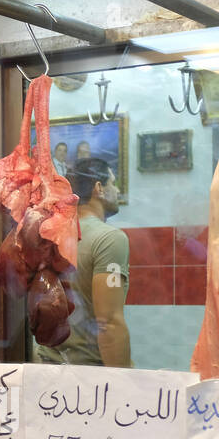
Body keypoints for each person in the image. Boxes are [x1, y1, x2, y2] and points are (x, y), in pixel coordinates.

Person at [34, 157, 131, 367]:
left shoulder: (50, 235)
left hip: (46, 367)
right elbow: (109, 323)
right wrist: (125, 379)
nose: (117, 190)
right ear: (99, 188)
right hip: (88, 374)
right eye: (112, 183)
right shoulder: (110, 238)